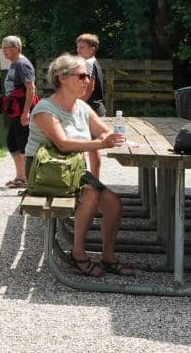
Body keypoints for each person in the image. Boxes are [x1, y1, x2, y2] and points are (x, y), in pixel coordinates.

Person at [28, 52, 134, 276]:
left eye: (88, 76)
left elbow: (106, 132)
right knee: (91, 194)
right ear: (62, 78)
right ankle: (78, 253)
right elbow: (64, 145)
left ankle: (108, 257)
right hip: (45, 171)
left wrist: (112, 139)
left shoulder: (82, 107)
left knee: (114, 205)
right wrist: (101, 143)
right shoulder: (45, 110)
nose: (88, 81)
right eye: (82, 76)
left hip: (72, 170)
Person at [0, 36, 38, 189]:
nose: (4, 50)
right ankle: (21, 177)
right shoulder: (15, 64)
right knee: (13, 142)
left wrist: (26, 112)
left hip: (22, 107)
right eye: (3, 47)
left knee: (23, 143)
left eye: (7, 47)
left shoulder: (22, 64)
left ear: (17, 48)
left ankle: (27, 179)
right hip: (16, 108)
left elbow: (31, 88)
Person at [75, 32, 108, 176]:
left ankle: (88, 177)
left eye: (82, 47)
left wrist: (78, 104)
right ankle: (94, 177)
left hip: (90, 108)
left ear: (92, 49)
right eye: (78, 47)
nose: (78, 50)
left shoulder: (87, 64)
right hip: (96, 107)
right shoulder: (94, 63)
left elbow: (89, 86)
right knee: (93, 146)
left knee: (84, 144)